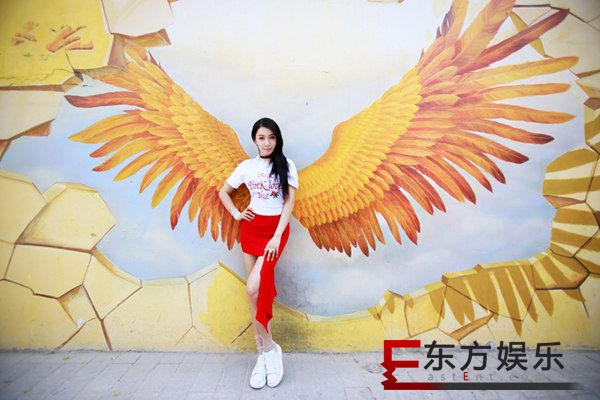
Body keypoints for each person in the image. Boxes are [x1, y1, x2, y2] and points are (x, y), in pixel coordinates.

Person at [218, 117, 299, 389]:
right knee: (254, 296)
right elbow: (224, 192)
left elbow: (289, 203)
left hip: (274, 232)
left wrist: (276, 236)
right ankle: (264, 354)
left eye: (271, 138)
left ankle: (271, 349)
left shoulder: (286, 165)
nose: (267, 143)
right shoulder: (246, 167)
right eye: (262, 137)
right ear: (255, 139)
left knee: (253, 288)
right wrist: (236, 214)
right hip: (251, 230)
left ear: (277, 140)